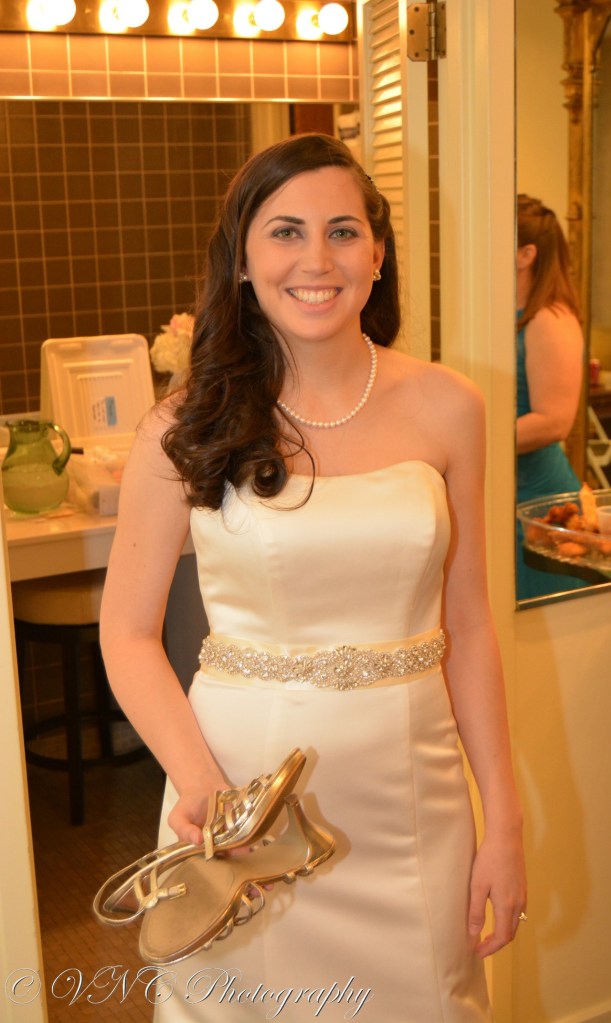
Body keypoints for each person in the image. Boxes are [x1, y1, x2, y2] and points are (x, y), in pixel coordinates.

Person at [100, 134, 526, 1022]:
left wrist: (506, 819)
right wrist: (204, 788)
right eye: (285, 232)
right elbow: (128, 633)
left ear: (378, 254)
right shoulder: (182, 426)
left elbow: (472, 624)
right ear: (243, 261)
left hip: (412, 799)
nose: (317, 259)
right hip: (245, 797)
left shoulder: (451, 406)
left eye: (343, 231)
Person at [516, 194, 586, 600]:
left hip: (540, 502)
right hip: (508, 491)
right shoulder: (500, 316)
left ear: (526, 255)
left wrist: (469, 441)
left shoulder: (549, 320)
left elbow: (554, 421)